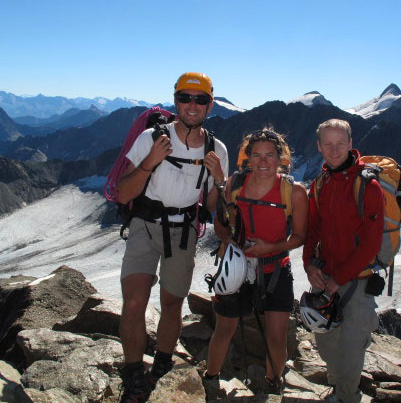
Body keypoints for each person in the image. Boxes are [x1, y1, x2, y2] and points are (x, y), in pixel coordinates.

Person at [116, 72, 229, 403]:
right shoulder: (151, 138)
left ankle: (162, 365)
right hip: (144, 225)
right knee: (134, 300)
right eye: (185, 98)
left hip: (183, 232)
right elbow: (124, 194)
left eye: (200, 100)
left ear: (209, 104)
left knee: (172, 303)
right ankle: (134, 372)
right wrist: (151, 161)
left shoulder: (215, 149)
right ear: (175, 100)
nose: (192, 106)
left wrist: (219, 180)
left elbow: (209, 204)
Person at [204, 128, 308, 395]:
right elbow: (220, 226)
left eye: (270, 155)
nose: (263, 162)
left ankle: (274, 384)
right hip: (237, 267)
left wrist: (269, 248)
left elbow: (299, 237)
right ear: (247, 158)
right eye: (257, 155)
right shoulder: (234, 185)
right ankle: (210, 379)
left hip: (275, 269)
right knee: (224, 330)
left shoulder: (294, 192)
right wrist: (231, 239)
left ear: (281, 158)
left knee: (276, 336)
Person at [303, 119, 385, 403]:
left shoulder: (368, 187)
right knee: (325, 342)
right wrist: (308, 264)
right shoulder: (320, 183)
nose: (334, 150)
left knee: (351, 348)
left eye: (340, 143)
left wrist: (340, 278)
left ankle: (347, 396)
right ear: (319, 147)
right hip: (324, 276)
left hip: (358, 280)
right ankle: (338, 389)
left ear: (351, 144)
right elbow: (313, 228)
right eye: (328, 144)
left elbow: (372, 243)